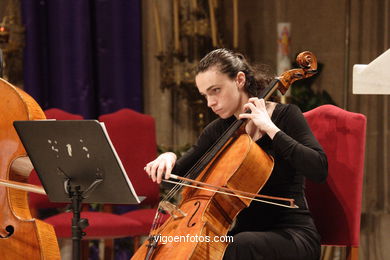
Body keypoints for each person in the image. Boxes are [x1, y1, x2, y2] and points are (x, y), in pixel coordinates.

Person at [144, 48, 328, 260]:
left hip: (293, 235)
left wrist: (271, 129)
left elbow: (319, 168)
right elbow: (176, 180)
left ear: (239, 80)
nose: (210, 102)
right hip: (242, 237)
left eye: (216, 90)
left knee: (237, 246)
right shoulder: (218, 130)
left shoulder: (286, 116)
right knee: (182, 246)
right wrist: (167, 158)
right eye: (205, 95)